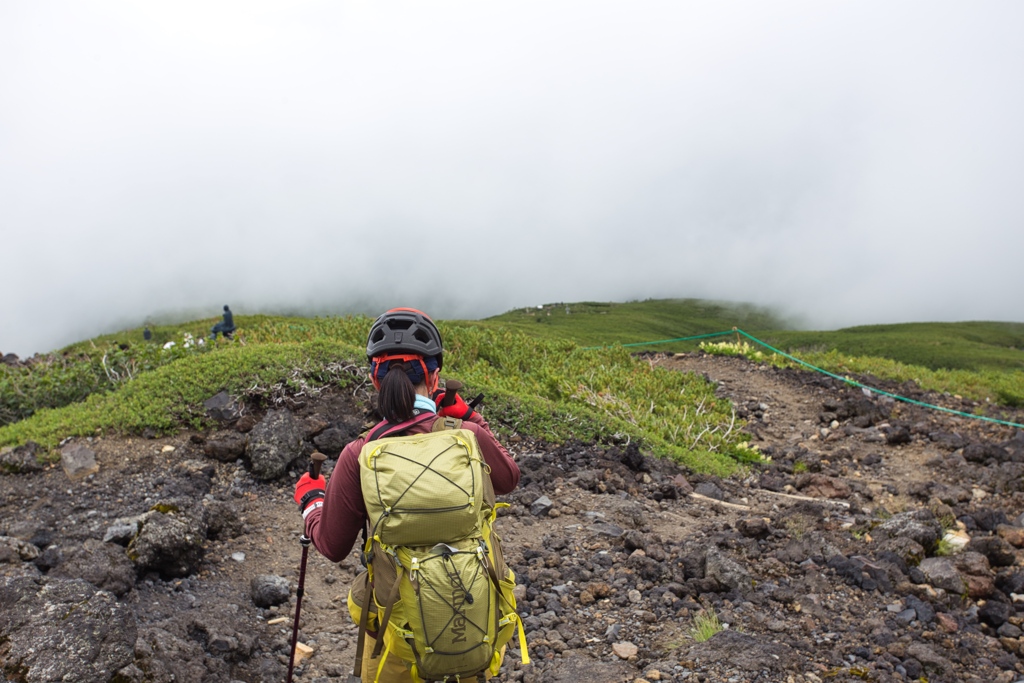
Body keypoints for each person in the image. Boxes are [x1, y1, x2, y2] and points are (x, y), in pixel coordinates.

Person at [293, 308, 522, 682]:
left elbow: (333, 546)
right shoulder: (468, 436)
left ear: (375, 380)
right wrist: (471, 418)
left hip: (396, 632)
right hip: (471, 621)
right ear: (434, 378)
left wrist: (312, 503)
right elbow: (509, 477)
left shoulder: (360, 453)